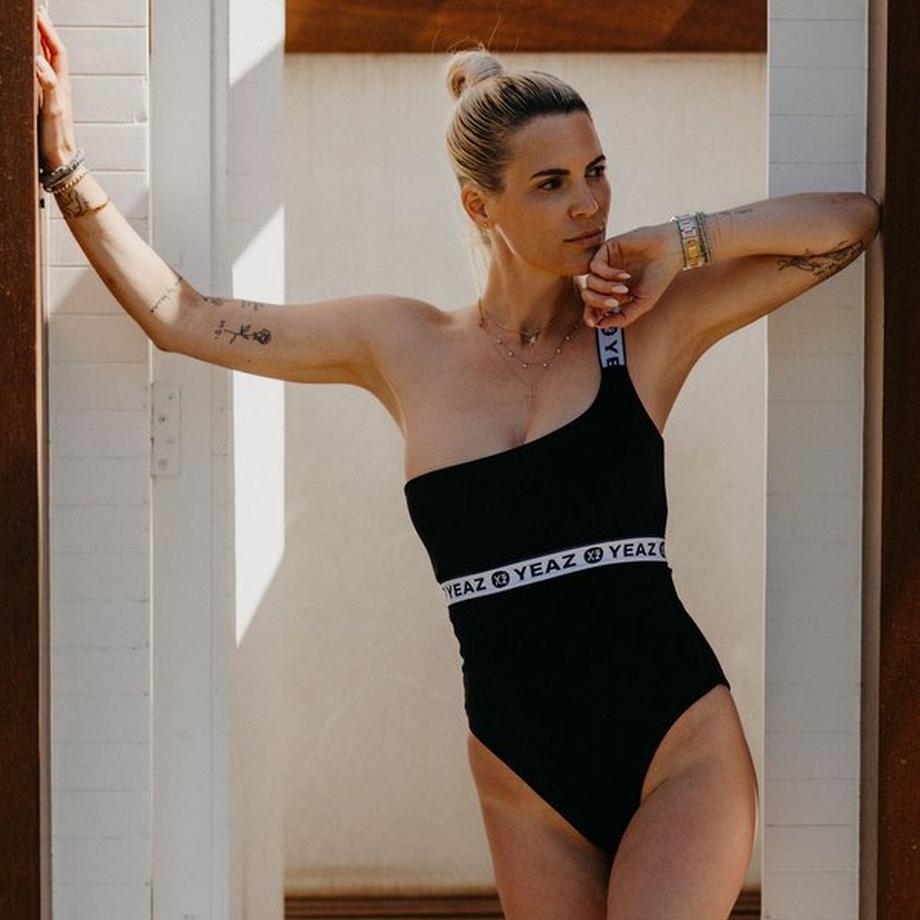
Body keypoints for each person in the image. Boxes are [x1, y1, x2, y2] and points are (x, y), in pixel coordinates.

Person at [35, 7, 879, 918]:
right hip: (524, 782)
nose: (590, 204)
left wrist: (683, 239)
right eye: (551, 183)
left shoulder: (644, 327)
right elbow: (185, 318)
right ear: (481, 206)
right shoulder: (403, 345)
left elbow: (850, 225)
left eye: (596, 171)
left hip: (678, 747)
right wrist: (64, 159)